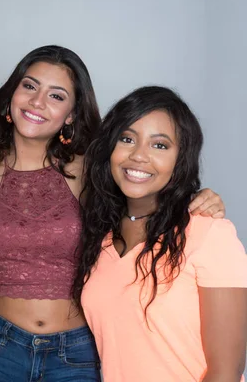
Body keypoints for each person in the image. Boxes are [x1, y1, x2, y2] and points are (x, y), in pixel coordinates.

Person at [0, 46, 226, 381]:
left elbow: (147, 203)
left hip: (75, 352)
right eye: (29, 86)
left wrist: (201, 199)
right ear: (12, 94)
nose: (37, 102)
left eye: (56, 95)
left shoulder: (92, 168)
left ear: (72, 114)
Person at [73, 86, 247, 382]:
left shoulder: (209, 233)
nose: (139, 156)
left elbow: (225, 373)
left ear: (181, 159)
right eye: (127, 139)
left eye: (160, 145)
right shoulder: (100, 238)